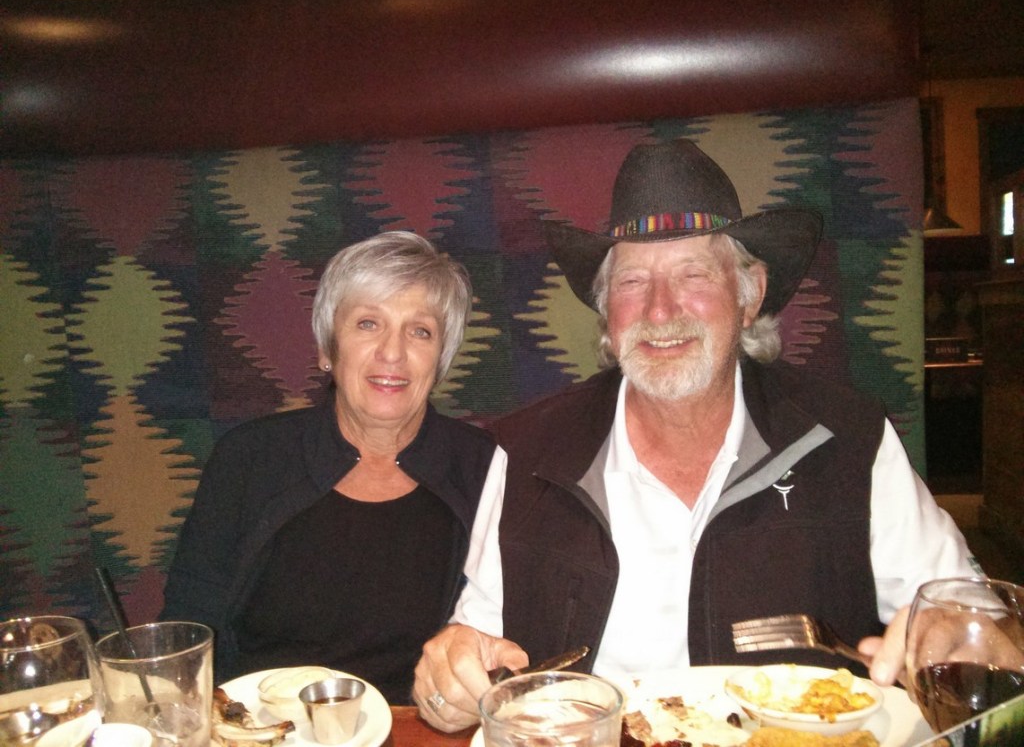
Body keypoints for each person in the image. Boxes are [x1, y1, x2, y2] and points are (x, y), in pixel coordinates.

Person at [411, 139, 981, 731]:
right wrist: (448, 686)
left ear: (749, 295)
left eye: (693, 274)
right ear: (607, 311)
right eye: (633, 281)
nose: (660, 310)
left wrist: (962, 634)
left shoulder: (847, 441)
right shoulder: (529, 451)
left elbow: (972, 617)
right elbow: (476, 652)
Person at [161, 230, 496, 704]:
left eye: (420, 331)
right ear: (327, 349)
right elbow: (189, 628)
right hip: (261, 723)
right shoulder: (249, 458)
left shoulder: (484, 466)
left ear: (440, 359)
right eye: (368, 324)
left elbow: (497, 627)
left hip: (418, 724)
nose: (393, 352)